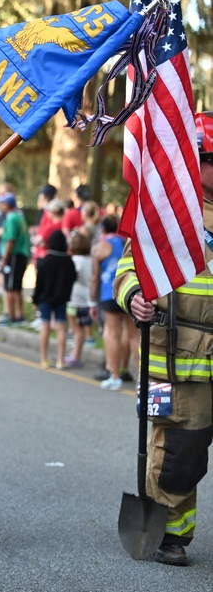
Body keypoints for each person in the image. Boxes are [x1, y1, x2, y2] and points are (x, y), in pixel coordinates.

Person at [114, 114, 213, 566]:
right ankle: (172, 533)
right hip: (180, 361)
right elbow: (127, 269)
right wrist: (135, 296)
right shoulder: (164, 211)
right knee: (179, 455)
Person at [92, 214, 134, 389]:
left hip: (108, 293)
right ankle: (145, 379)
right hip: (128, 290)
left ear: (102, 229)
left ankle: (115, 375)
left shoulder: (101, 247)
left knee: (111, 333)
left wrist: (91, 302)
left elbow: (95, 278)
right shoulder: (126, 243)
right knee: (133, 335)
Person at [31, 230, 76, 369]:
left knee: (45, 326)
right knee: (61, 328)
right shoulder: (69, 261)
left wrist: (35, 299)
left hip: (45, 299)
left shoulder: (45, 261)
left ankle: (44, 358)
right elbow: (73, 278)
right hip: (62, 299)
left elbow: (39, 283)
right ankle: (60, 360)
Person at [0, 191, 30, 323]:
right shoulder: (19, 217)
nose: (0, 205)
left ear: (7, 205)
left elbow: (11, 240)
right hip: (20, 254)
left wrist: (4, 258)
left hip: (14, 255)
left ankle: (10, 314)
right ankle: (19, 314)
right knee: (16, 286)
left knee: (9, 286)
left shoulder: (11, 218)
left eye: (2, 203)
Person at [64, 231, 94, 368]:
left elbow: (71, 276)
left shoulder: (75, 261)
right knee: (81, 328)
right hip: (87, 299)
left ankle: (75, 355)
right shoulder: (91, 260)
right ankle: (76, 353)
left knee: (76, 329)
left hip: (74, 299)